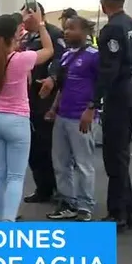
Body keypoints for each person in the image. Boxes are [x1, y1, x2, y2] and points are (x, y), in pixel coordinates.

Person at [0, 13, 54, 222]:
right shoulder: (22, 59)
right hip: (17, 120)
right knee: (15, 176)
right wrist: (40, 25)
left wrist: (15, 28)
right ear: (16, 34)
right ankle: (8, 221)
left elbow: (1, 46)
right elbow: (49, 50)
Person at [92, 0, 132, 231]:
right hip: (130, 88)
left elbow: (108, 69)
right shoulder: (131, 23)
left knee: (114, 156)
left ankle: (117, 213)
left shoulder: (112, 28)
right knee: (121, 154)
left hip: (118, 93)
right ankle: (128, 209)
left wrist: (94, 101)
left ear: (105, 2)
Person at [44, 16, 99, 222]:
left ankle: (85, 206)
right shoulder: (67, 55)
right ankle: (68, 203)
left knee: (83, 164)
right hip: (62, 115)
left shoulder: (95, 56)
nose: (66, 32)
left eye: (72, 28)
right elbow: (63, 87)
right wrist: (53, 108)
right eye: (65, 28)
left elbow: (101, 86)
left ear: (85, 32)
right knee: (61, 163)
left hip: (81, 117)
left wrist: (92, 109)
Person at [19, 2, 65, 205]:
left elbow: (61, 59)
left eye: (26, 17)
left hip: (47, 98)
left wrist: (53, 78)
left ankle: (56, 188)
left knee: (46, 144)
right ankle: (42, 187)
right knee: (33, 146)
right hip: (28, 97)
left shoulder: (54, 33)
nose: (23, 21)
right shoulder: (27, 37)